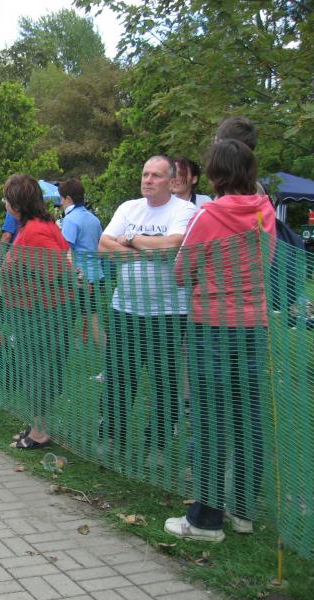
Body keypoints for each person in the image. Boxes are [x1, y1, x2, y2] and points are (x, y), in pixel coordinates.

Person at [164, 139, 276, 542]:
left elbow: (182, 272)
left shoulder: (208, 215)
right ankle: (243, 512)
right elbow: (268, 261)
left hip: (213, 326)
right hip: (254, 326)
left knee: (211, 420)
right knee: (249, 418)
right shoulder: (264, 211)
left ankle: (205, 520)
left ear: (214, 173)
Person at [98, 156, 198, 457]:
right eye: (145, 174)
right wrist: (147, 249)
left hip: (167, 313)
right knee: (119, 377)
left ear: (172, 180)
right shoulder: (128, 208)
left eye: (156, 175)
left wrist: (130, 238)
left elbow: (172, 246)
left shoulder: (185, 210)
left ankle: (157, 445)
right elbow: (103, 245)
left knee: (164, 381)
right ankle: (112, 437)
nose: (148, 180)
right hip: (125, 309)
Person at [0, 174, 73, 449]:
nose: (4, 203)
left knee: (40, 371)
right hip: (31, 312)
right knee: (33, 369)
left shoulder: (35, 232)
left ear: (17, 204)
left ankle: (40, 432)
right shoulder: (34, 226)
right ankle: (36, 424)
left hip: (42, 315)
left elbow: (59, 271)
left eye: (7, 199)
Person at [57, 179, 105, 367]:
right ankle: (111, 367)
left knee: (86, 324)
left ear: (68, 198)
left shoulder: (70, 220)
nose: (60, 203)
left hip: (81, 280)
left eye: (61, 198)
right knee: (92, 321)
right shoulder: (94, 219)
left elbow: (66, 251)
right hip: (97, 276)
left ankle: (111, 368)